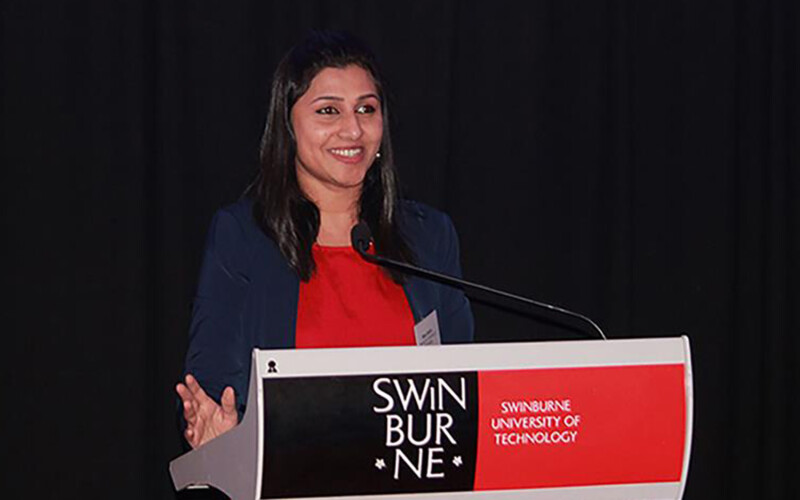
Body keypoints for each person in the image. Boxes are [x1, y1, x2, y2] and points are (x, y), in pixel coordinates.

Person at [175, 30, 474, 449]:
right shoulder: (243, 237)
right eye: (328, 111)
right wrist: (217, 430)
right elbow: (213, 386)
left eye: (366, 109)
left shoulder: (429, 236)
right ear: (288, 125)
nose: (352, 129)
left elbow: (465, 388)